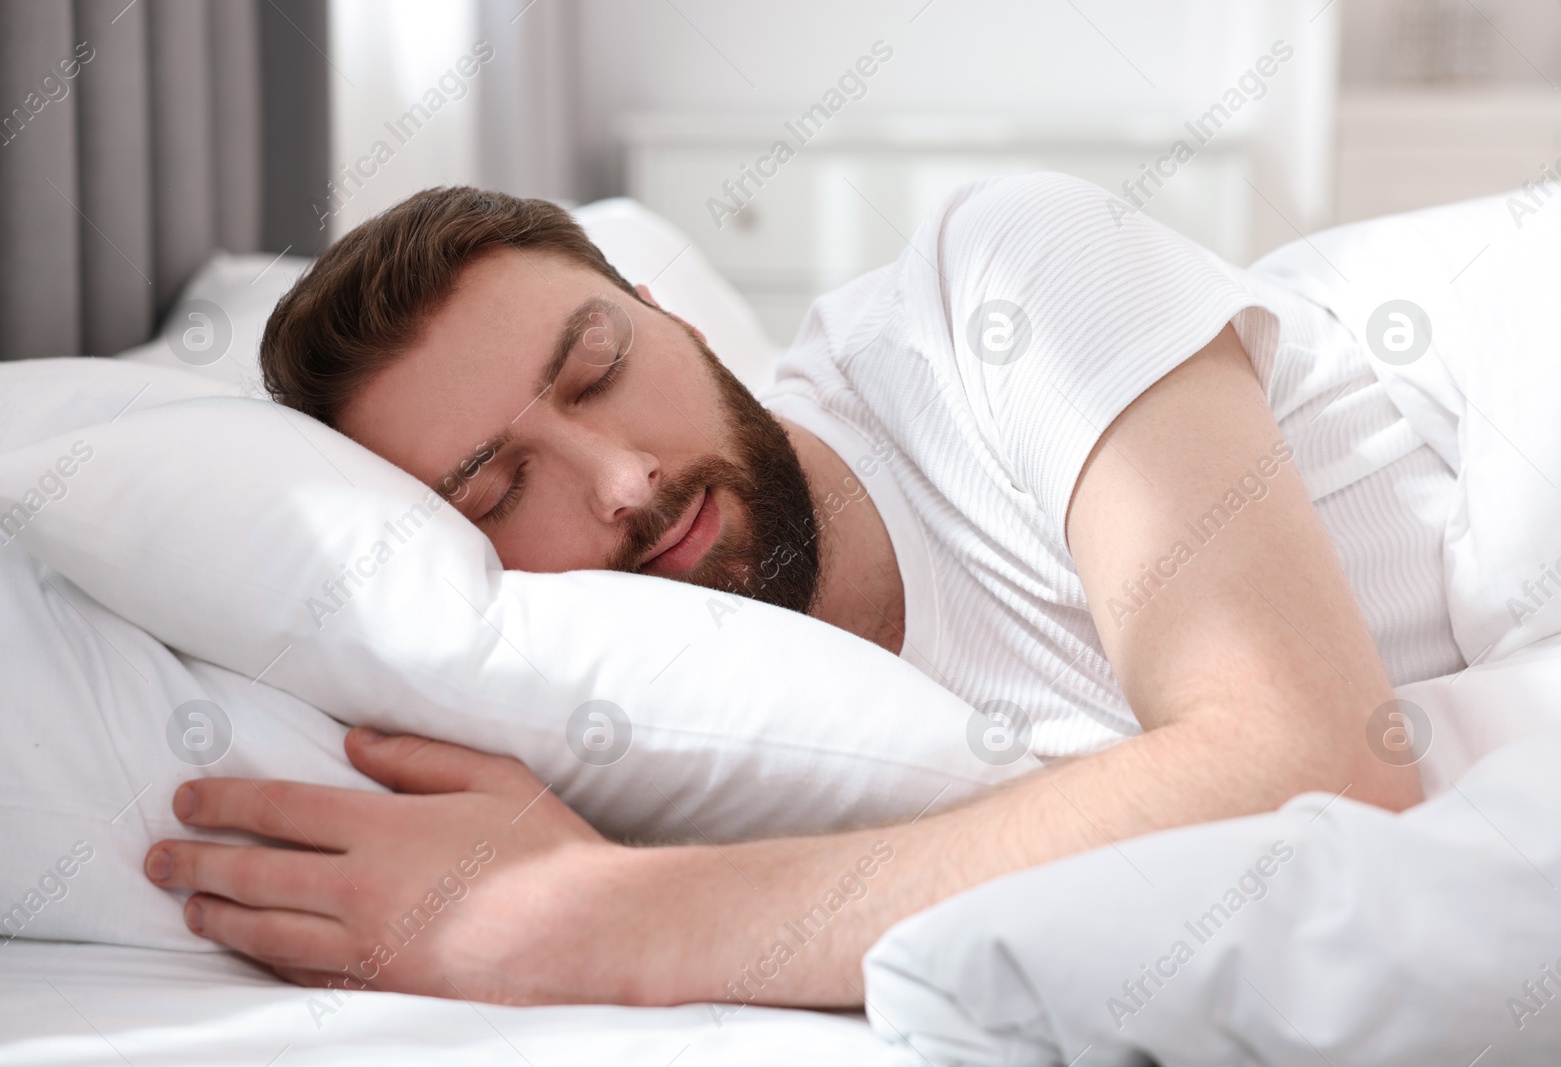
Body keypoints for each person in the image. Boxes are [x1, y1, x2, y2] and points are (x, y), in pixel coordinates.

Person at [141, 172, 1458, 1008]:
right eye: (496, 493)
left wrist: (598, 922)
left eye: (600, 369)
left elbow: (1319, 764)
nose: (621, 481)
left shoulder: (1002, 290)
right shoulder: (630, 732)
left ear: (679, 318)